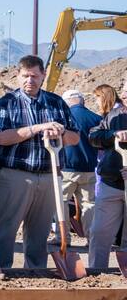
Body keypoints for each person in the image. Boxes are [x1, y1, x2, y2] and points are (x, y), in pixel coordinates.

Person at [0, 55, 79, 269]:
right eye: (26, 76)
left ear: (43, 76)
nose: (30, 80)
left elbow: (74, 138)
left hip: (48, 176)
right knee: (6, 228)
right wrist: (37, 128)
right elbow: (1, 137)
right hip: (15, 174)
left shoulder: (56, 102)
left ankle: (36, 272)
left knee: (40, 231)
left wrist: (61, 131)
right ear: (17, 76)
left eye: (35, 76)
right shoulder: (7, 102)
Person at [87, 107, 127, 269]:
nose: (124, 94)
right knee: (99, 232)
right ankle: (97, 273)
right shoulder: (116, 115)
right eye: (125, 90)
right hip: (111, 182)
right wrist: (113, 135)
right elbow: (94, 136)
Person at [60, 89, 102, 239]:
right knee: (89, 203)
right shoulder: (96, 118)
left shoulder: (63, 118)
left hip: (67, 168)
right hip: (89, 168)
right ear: (82, 100)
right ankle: (92, 239)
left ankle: (63, 237)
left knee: (62, 202)